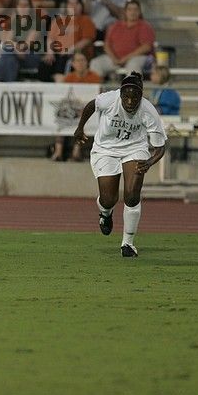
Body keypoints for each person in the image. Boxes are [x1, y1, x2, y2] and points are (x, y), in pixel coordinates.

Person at [73, 71, 167, 257]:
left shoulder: (148, 111)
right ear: (120, 94)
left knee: (132, 194)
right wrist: (80, 127)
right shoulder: (110, 99)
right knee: (109, 199)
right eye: (127, 97)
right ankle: (105, 214)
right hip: (105, 149)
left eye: (135, 98)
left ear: (141, 96)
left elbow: (160, 147)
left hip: (134, 149)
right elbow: (92, 105)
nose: (130, 102)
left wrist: (149, 162)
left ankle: (128, 244)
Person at [89, 0, 155, 80]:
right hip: (116, 59)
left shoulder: (145, 26)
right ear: (125, 11)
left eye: (135, 10)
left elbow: (146, 47)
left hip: (137, 58)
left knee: (133, 65)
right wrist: (114, 59)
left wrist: (126, 58)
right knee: (95, 63)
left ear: (139, 12)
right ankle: (98, 92)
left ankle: (133, 92)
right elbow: (107, 45)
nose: (133, 12)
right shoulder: (115, 26)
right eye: (130, 9)